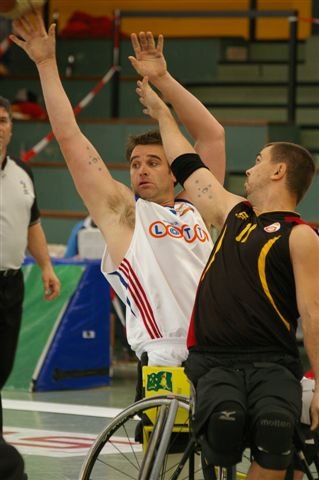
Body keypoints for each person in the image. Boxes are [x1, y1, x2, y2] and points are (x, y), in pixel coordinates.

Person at [10, 15, 225, 372]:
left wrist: (163, 80)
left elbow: (213, 135)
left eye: (153, 162)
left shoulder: (199, 206)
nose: (141, 169)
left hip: (216, 346)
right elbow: (70, 139)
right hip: (164, 355)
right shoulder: (125, 213)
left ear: (175, 171)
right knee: (170, 431)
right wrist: (47, 65)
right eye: (136, 163)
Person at [129, 76, 319, 480]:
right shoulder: (234, 213)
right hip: (214, 362)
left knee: (275, 431)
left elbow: (314, 313)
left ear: (278, 171)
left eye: (258, 161)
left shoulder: (301, 236)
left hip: (272, 361)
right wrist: (163, 107)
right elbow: (187, 162)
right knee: (225, 425)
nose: (248, 168)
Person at [0, 95, 60, 436]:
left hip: (11, 285)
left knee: (3, 369)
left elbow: (32, 224)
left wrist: (46, 267)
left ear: (11, 127)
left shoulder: (24, 173)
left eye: (3, 121)